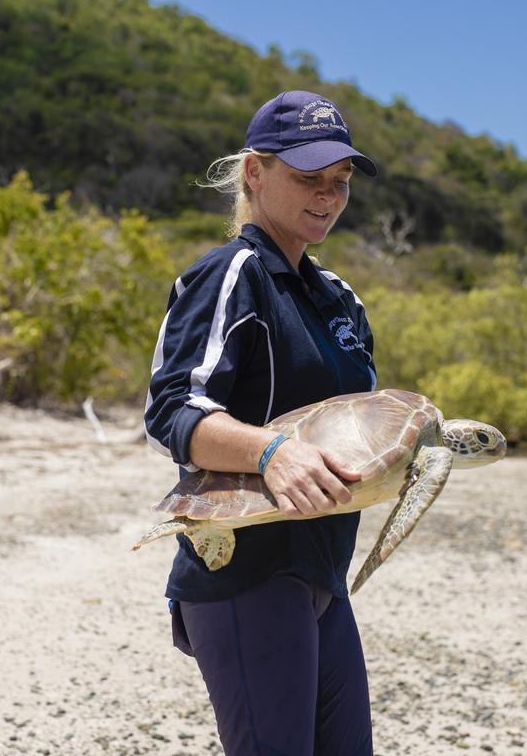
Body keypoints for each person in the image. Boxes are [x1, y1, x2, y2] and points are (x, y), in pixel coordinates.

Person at [144, 90, 379, 755]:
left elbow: (353, 422)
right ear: (255, 172)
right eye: (309, 177)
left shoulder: (339, 298)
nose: (328, 196)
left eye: (340, 182)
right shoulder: (230, 277)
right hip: (244, 571)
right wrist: (273, 451)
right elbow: (172, 410)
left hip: (323, 572)